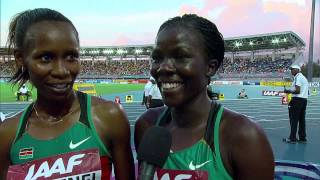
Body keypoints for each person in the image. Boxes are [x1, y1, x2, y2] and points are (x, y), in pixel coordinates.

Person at [134, 14, 274, 179]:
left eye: (180, 56)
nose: (163, 68)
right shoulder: (146, 126)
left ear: (210, 67)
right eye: (157, 58)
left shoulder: (244, 137)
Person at [0, 8, 134, 179]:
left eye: (71, 57)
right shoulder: (7, 134)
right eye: (46, 58)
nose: (62, 71)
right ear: (21, 59)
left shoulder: (109, 117)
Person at [283, 64, 308, 144]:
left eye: (292, 69)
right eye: (291, 69)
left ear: (297, 70)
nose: (291, 71)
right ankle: (302, 138)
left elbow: (297, 91)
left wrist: (288, 91)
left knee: (293, 120)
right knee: (301, 120)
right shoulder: (303, 77)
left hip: (297, 100)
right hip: (303, 100)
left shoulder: (298, 77)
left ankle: (292, 138)